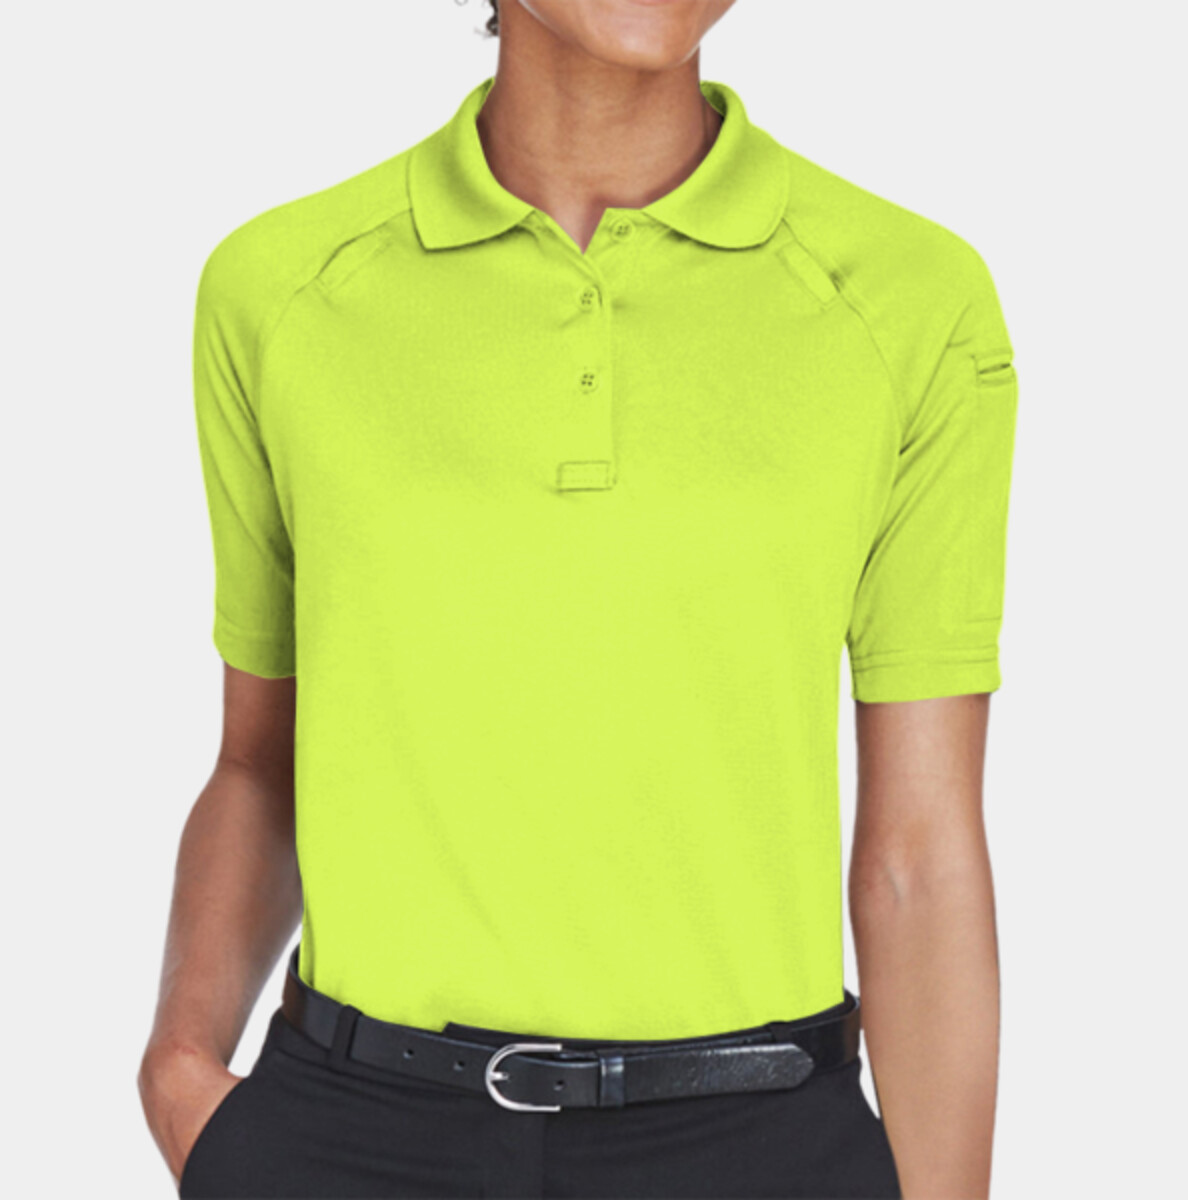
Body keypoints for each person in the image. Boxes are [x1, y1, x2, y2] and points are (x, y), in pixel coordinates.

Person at [137, 1, 1018, 1196]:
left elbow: (920, 852)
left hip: (753, 1146)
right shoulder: (280, 291)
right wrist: (182, 1069)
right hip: (358, 1135)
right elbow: (260, 760)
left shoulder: (911, 302)